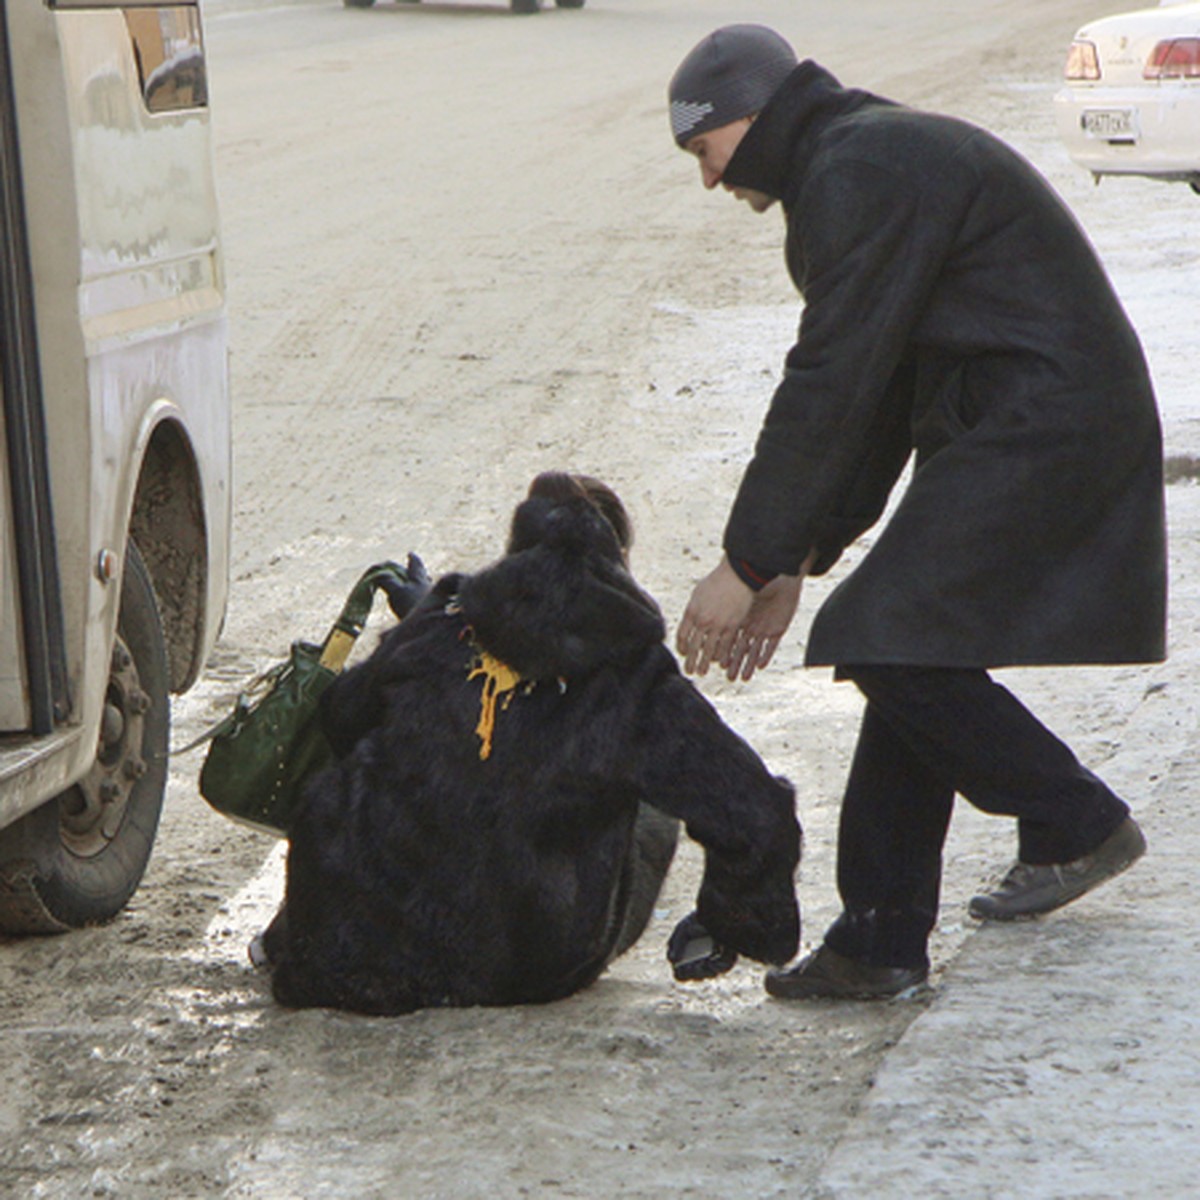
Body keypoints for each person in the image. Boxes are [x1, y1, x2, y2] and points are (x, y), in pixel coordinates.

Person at [666, 25, 1165, 1000]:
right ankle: (879, 942)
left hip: (1043, 416)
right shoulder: (851, 161)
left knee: (890, 637)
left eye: (704, 151)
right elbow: (882, 385)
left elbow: (831, 383)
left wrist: (745, 560)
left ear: (746, 120)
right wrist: (798, 558)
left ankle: (1073, 818)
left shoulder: (859, 170)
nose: (709, 181)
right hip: (1021, 413)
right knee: (905, 639)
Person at [256, 472, 801, 1015]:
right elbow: (757, 816)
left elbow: (343, 715)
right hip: (515, 967)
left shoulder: (446, 620)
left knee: (392, 772)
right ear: (616, 564)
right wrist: (727, 921)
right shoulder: (633, 677)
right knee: (656, 793)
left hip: (352, 959)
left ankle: (293, 927)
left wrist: (420, 630)